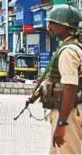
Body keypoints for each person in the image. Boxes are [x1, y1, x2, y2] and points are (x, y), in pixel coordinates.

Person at [37, 4, 82, 154]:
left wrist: (62, 123)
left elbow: (70, 87)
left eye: (53, 23)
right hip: (71, 109)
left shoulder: (68, 51)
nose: (49, 26)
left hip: (68, 112)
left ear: (64, 26)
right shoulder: (75, 46)